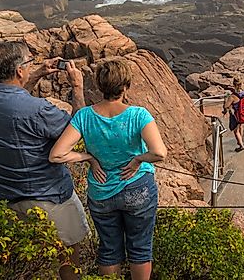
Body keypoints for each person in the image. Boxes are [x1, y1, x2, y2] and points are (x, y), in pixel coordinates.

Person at [0, 41, 90, 280]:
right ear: (18, 71)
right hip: (49, 197)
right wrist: (77, 88)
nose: (32, 65)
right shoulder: (38, 110)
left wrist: (35, 75)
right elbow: (79, 129)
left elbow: (11, 99)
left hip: (6, 194)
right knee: (68, 259)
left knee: (30, 262)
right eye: (29, 61)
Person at [49, 59, 166, 280]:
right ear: (125, 86)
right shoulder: (138, 115)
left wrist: (88, 158)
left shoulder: (84, 117)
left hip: (102, 191)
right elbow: (159, 153)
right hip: (137, 187)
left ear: (101, 86)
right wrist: (138, 160)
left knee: (110, 250)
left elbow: (57, 155)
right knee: (140, 249)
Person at [223, 78, 244, 152]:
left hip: (236, 115)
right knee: (241, 126)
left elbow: (226, 106)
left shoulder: (233, 96)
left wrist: (225, 100)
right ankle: (240, 139)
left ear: (234, 85)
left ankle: (241, 145)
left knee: (235, 130)